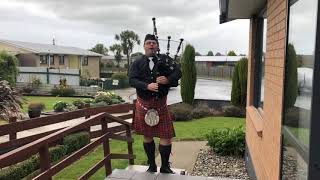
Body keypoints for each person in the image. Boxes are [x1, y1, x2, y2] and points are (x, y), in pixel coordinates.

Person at [128, 34, 182, 174]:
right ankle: (151, 165)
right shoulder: (137, 62)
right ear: (144, 46)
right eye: (148, 43)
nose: (151, 45)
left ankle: (165, 167)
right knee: (147, 135)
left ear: (157, 46)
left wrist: (168, 80)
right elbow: (132, 80)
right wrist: (147, 86)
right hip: (144, 104)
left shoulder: (165, 60)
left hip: (160, 104)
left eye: (153, 43)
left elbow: (178, 72)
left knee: (166, 137)